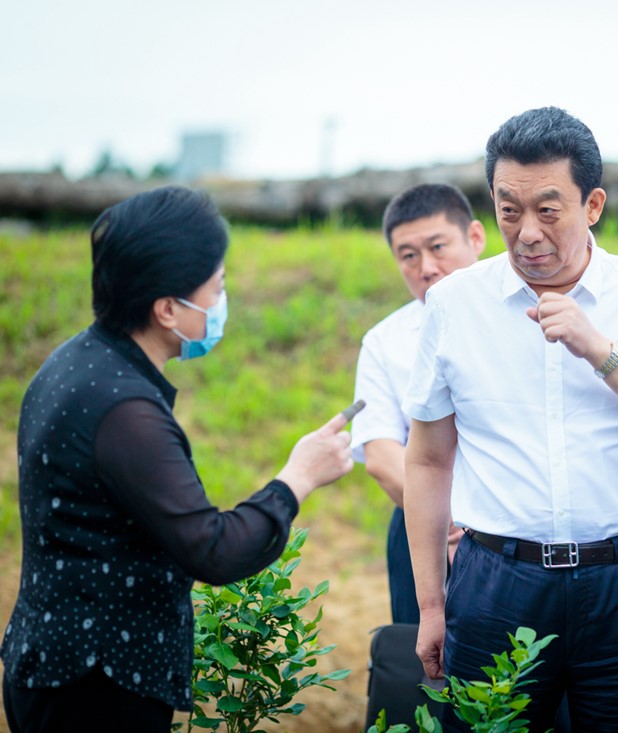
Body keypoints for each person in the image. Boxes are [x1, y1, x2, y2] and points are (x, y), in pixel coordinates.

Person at [401, 106, 618, 732]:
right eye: (509, 210)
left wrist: (600, 349)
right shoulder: (453, 305)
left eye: (548, 210)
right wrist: (432, 604)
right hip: (496, 586)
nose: (526, 232)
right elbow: (429, 460)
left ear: (592, 205)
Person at [0, 187, 355, 733]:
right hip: (97, 686)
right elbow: (213, 549)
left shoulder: (72, 362)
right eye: (217, 288)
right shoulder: (125, 410)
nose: (222, 302)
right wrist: (298, 478)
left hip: (48, 660)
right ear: (167, 309)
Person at [351, 183, 485, 624]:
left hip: (520, 533)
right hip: (422, 529)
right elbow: (380, 452)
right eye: (409, 256)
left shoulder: (528, 316)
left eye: (438, 247)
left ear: (475, 238)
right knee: (426, 659)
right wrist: (450, 526)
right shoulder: (384, 341)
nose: (427, 268)